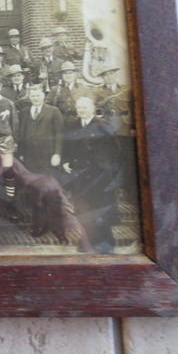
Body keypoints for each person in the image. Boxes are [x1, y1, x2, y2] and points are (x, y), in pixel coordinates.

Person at [61, 96, 123, 253]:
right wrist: (66, 162)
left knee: (101, 210)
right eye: (79, 107)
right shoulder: (71, 126)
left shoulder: (104, 126)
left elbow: (115, 152)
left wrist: (104, 169)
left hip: (99, 177)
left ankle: (107, 243)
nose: (81, 110)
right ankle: (86, 242)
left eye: (84, 107)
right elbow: (66, 147)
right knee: (83, 210)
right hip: (79, 177)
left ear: (92, 108)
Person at [18, 84, 64, 178]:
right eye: (33, 96)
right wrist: (21, 153)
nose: (36, 98)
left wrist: (57, 154)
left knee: (47, 183)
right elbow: (21, 133)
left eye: (38, 95)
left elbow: (60, 134)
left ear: (43, 96)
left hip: (47, 155)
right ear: (29, 97)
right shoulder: (24, 112)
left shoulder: (53, 111)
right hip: (29, 156)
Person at [49, 61, 94, 126]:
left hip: (79, 124)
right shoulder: (55, 90)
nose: (68, 75)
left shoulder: (85, 89)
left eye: (70, 73)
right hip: (60, 124)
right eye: (65, 73)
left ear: (75, 74)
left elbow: (91, 109)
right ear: (62, 75)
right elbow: (47, 107)